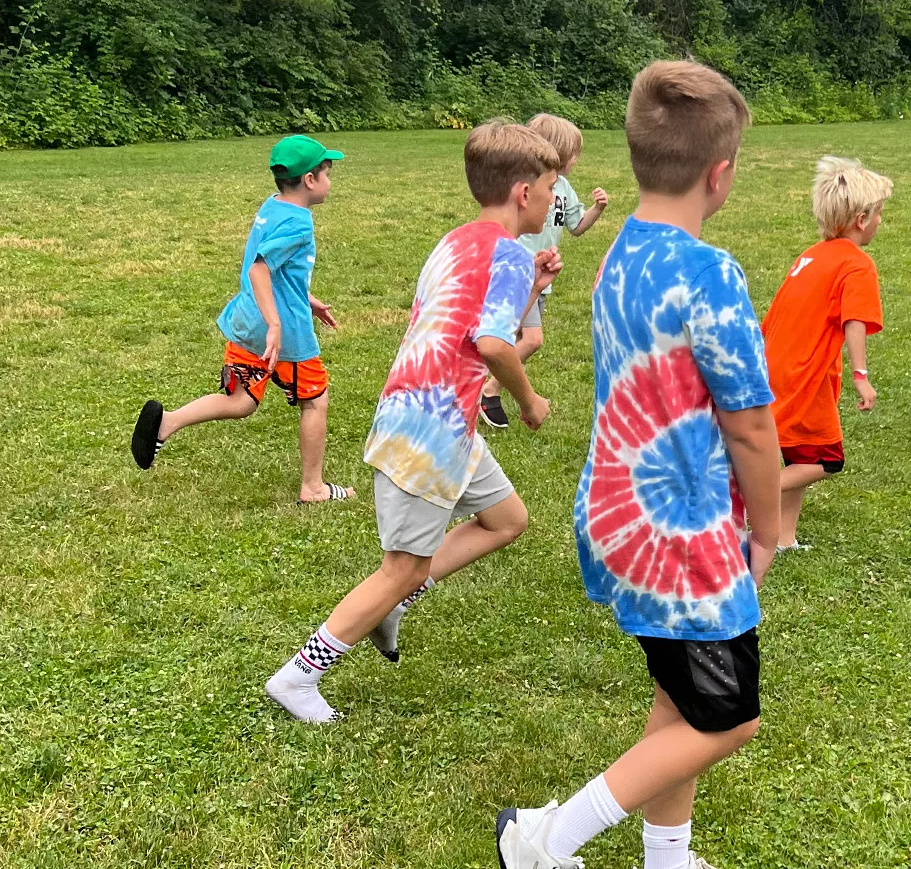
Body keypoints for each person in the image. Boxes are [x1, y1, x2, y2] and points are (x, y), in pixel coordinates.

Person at [494, 60, 780, 869]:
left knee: (682, 699)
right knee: (730, 715)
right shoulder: (711, 272)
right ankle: (547, 838)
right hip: (680, 536)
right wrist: (767, 527)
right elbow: (753, 429)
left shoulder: (620, 249)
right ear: (721, 173)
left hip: (616, 512)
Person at [263, 120, 562, 721]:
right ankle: (299, 676)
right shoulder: (506, 253)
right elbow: (495, 345)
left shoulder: (459, 240)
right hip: (431, 432)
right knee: (401, 567)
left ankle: (396, 605)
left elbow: (470, 322)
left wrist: (531, 287)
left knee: (506, 519)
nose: (556, 200)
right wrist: (530, 403)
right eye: (552, 187)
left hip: (439, 422)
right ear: (523, 192)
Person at [130, 135, 355, 504]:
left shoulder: (272, 207)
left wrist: (308, 298)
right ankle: (312, 488)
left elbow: (279, 273)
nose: (330, 181)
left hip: (246, 323)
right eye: (327, 172)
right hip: (280, 336)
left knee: (242, 401)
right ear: (311, 180)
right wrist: (278, 325)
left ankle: (166, 423)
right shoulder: (299, 223)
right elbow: (260, 271)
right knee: (316, 401)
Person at [761, 155, 891, 551]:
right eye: (880, 214)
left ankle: (784, 539)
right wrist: (861, 376)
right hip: (805, 375)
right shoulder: (857, 264)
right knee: (827, 461)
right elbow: (855, 320)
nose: (881, 221)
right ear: (861, 218)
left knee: (801, 454)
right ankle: (742, 499)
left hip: (778, 366)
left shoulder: (811, 255)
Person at [480, 113, 609, 428]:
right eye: (573, 152)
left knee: (509, 336)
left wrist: (596, 209)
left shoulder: (562, 189)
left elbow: (576, 227)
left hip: (541, 276)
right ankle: (486, 390)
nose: (576, 159)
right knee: (530, 339)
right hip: (522, 272)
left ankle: (479, 385)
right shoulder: (528, 187)